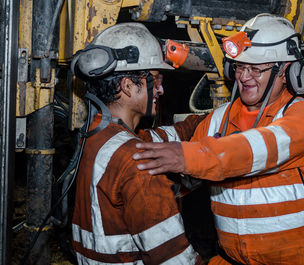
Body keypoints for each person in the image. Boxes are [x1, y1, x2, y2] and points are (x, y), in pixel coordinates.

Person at [134, 14, 304, 265]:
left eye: (255, 69)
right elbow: (186, 179)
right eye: (239, 66)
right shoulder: (219, 119)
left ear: (287, 73)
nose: (244, 77)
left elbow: (255, 149)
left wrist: (186, 156)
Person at [70, 22, 204, 264]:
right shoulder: (139, 163)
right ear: (128, 86)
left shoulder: (95, 137)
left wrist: (215, 118)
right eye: (155, 79)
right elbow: (176, 260)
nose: (161, 90)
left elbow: (167, 135)